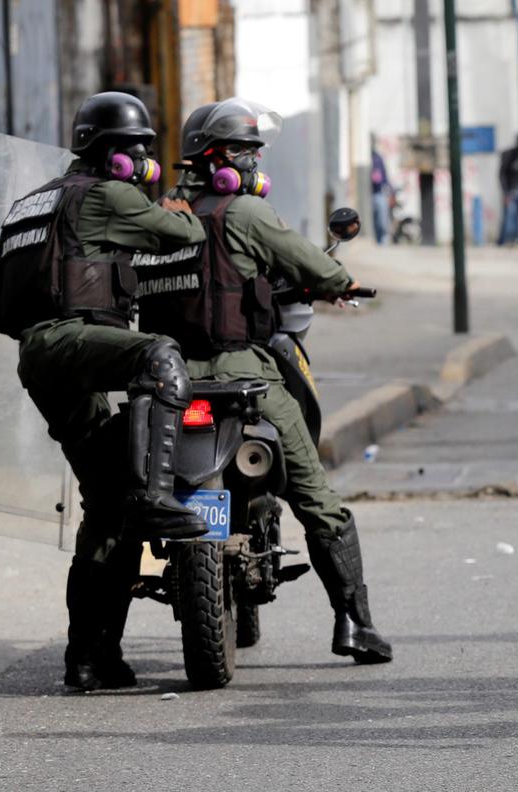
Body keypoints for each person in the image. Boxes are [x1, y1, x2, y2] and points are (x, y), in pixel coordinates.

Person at [137, 98, 393, 664]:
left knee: (114, 503)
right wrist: (342, 283)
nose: (254, 162)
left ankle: (94, 645)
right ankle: (354, 623)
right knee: (315, 495)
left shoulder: (157, 215)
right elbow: (316, 267)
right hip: (239, 375)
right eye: (248, 151)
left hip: (164, 379)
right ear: (222, 159)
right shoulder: (245, 213)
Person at [0, 91, 212, 690]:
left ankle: (89, 658)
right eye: (138, 153)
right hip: (76, 342)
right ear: (115, 156)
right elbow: (180, 233)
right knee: (161, 357)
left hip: (39, 357)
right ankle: (159, 495)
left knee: (107, 507)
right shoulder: (108, 193)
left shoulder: (31, 203)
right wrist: (178, 200)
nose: (141, 162)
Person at [498, 133, 518, 246]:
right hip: (511, 191)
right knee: (510, 216)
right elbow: (502, 174)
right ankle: (508, 239)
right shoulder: (509, 155)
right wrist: (505, 192)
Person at [369, 139, 391, 245]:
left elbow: (385, 176)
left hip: (379, 193)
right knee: (374, 220)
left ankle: (383, 240)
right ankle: (377, 240)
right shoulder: (367, 158)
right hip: (369, 193)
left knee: (382, 219)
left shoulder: (378, 158)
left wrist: (389, 190)